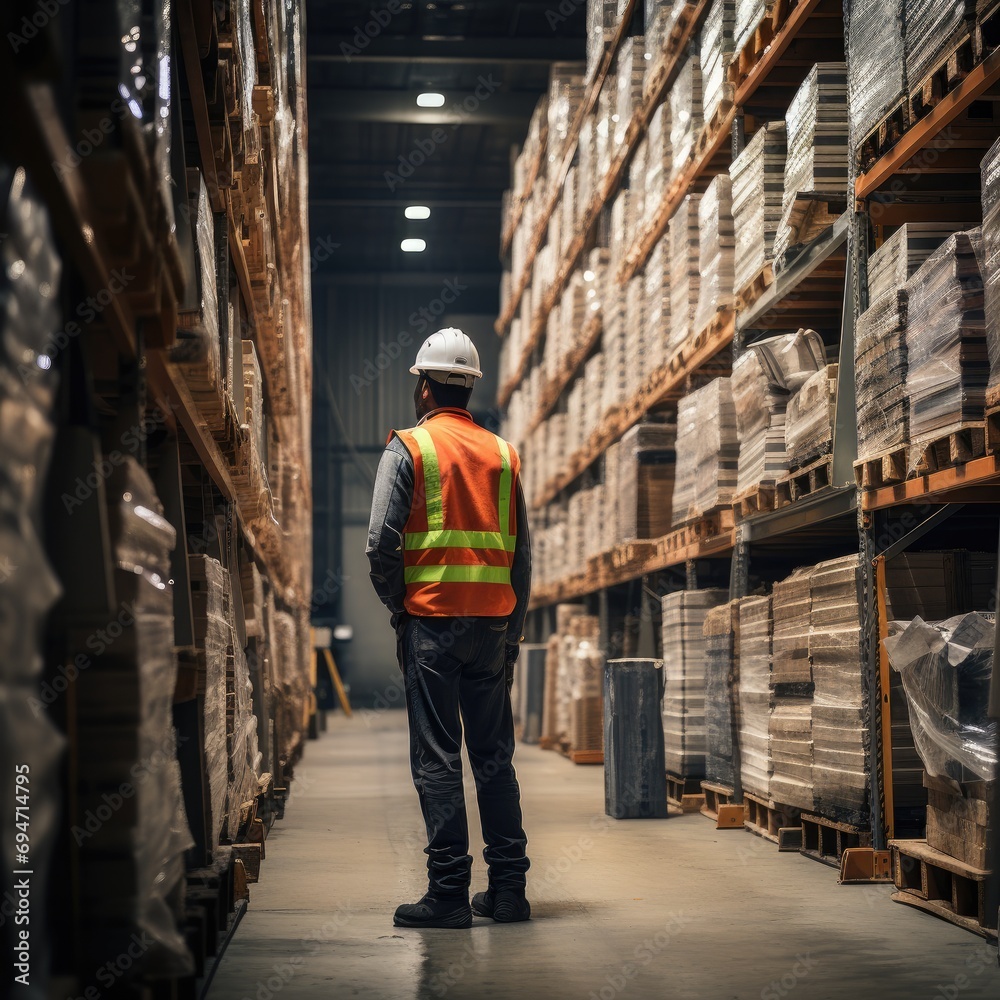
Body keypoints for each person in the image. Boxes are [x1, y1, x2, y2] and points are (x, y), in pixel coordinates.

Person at [366, 327, 532, 929]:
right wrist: (513, 630)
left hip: (432, 625)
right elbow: (522, 555)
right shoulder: (504, 455)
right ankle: (509, 892)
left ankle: (448, 895)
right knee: (493, 758)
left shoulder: (409, 448)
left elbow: (381, 543)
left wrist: (400, 607)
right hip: (492, 628)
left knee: (438, 759)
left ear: (426, 387)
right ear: (467, 386)